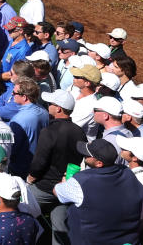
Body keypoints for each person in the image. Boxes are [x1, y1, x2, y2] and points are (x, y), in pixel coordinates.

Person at [54, 138, 143, 245]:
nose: (84, 156)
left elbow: (56, 191)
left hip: (92, 240)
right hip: (128, 239)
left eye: (88, 155)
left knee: (57, 212)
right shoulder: (128, 172)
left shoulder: (82, 181)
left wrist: (64, 181)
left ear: (99, 163)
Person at [27, 89, 87, 245]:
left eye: (51, 103)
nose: (48, 105)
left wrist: (30, 178)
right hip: (65, 187)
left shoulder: (49, 131)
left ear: (59, 109)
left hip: (43, 188)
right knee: (60, 230)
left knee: (20, 212)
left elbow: (39, 163)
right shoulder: (79, 132)